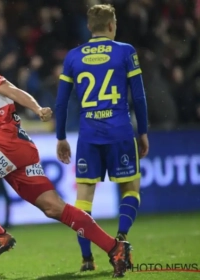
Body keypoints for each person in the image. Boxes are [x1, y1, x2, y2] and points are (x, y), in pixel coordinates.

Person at [0, 24, 132, 278]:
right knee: (53, 207)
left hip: (5, 142)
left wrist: (37, 108)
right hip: (12, 148)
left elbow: (12, 90)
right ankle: (115, 247)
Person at [54, 4, 149, 272]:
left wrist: (61, 136)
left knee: (83, 200)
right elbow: (139, 97)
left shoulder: (73, 56)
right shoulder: (125, 51)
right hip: (120, 132)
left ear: (88, 27)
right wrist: (143, 132)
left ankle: (87, 260)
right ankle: (122, 238)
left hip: (89, 135)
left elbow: (61, 103)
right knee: (130, 189)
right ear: (111, 25)